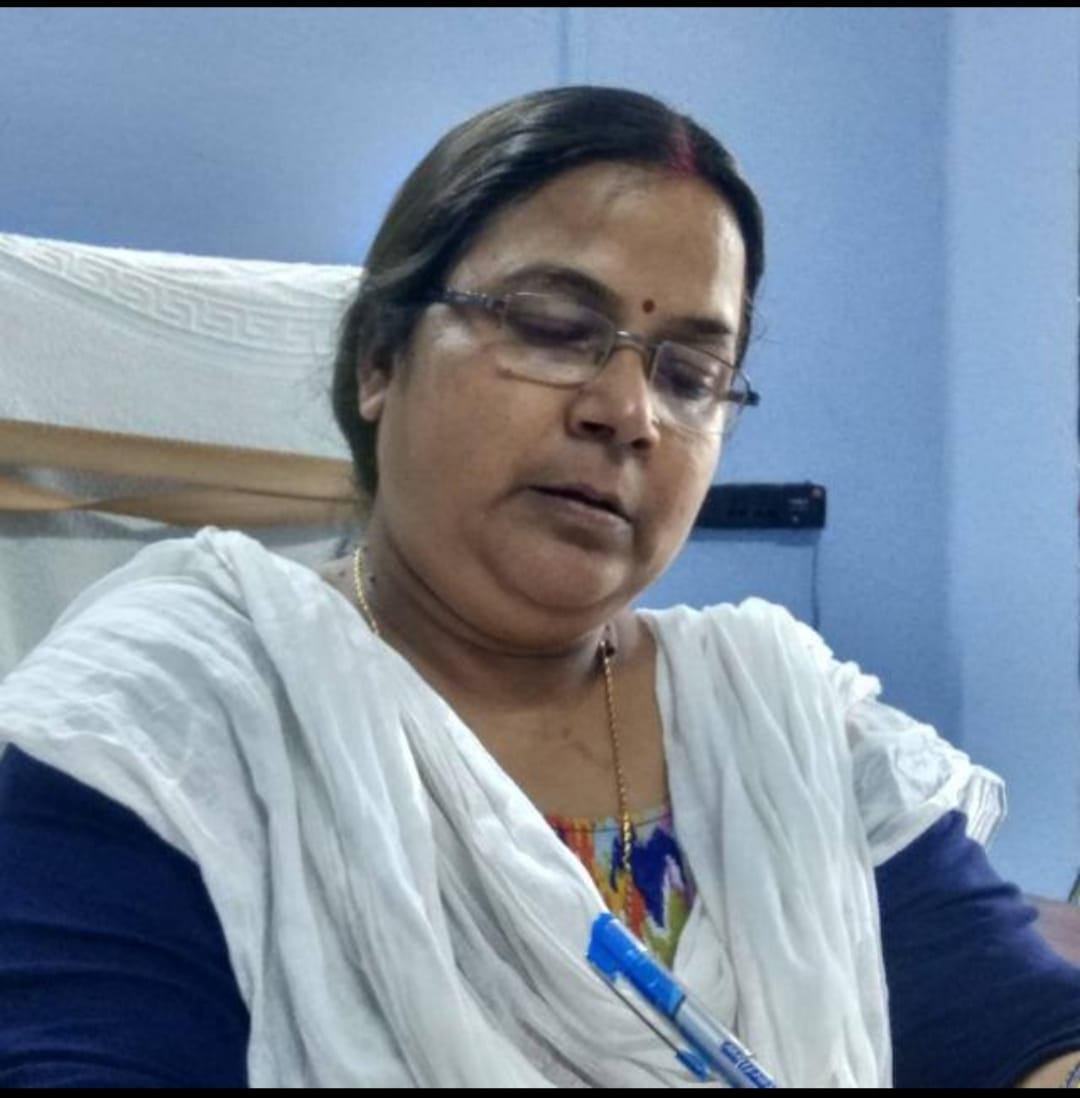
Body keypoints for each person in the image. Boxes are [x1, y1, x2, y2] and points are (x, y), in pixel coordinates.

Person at [0, 85, 1078, 1089]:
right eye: (555, 329)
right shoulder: (174, 725)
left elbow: (1016, 1028)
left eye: (689, 375)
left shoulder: (785, 728)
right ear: (379, 359)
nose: (628, 412)